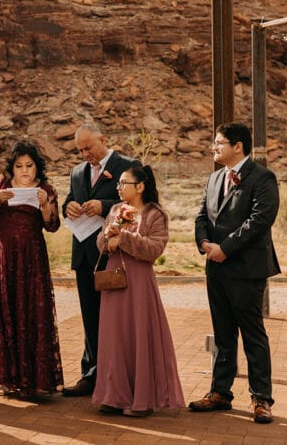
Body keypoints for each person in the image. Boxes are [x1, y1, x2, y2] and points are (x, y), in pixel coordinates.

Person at [189, 122, 280, 424]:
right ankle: (220, 392)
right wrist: (204, 243)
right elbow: (202, 213)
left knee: (253, 334)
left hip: (245, 268)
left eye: (218, 143)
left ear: (238, 145)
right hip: (215, 267)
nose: (213, 148)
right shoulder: (214, 178)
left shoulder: (263, 177)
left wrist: (225, 248)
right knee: (223, 334)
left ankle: (261, 398)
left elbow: (260, 220)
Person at [92, 161, 184, 417]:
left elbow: (155, 249)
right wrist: (109, 237)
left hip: (140, 282)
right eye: (118, 183)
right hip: (114, 280)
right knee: (114, 338)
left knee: (138, 335)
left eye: (124, 183)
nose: (119, 187)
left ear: (140, 186)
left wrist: (125, 237)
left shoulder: (155, 214)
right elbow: (101, 244)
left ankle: (141, 400)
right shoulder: (115, 210)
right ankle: (114, 396)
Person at [0, 140, 63, 398]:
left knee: (33, 312)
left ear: (37, 168)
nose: (24, 171)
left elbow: (53, 226)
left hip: (32, 258)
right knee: (6, 311)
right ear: (11, 168)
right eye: (19, 166)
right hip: (4, 257)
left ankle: (36, 380)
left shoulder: (46, 189)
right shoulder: (1, 185)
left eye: (29, 165)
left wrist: (45, 205)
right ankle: (8, 378)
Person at [60, 124, 135, 397]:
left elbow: (139, 201)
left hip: (113, 254)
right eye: (80, 149)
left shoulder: (127, 165)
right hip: (84, 256)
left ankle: (118, 377)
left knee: (116, 319)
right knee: (90, 318)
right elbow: (70, 200)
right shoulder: (77, 172)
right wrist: (67, 206)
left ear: (103, 139)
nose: (84, 154)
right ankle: (90, 375)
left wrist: (104, 206)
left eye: (88, 147)